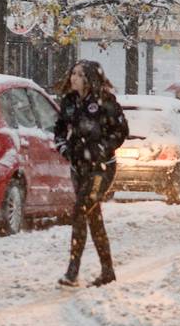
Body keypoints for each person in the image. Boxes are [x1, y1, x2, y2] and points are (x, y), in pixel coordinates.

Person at [54, 60, 129, 287]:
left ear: (88, 78)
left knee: (80, 211)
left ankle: (73, 271)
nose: (73, 78)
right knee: (93, 218)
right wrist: (64, 148)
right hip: (79, 168)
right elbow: (58, 129)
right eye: (72, 73)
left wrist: (101, 148)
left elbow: (121, 131)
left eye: (78, 74)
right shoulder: (69, 102)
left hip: (101, 168)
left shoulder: (105, 102)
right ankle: (108, 271)